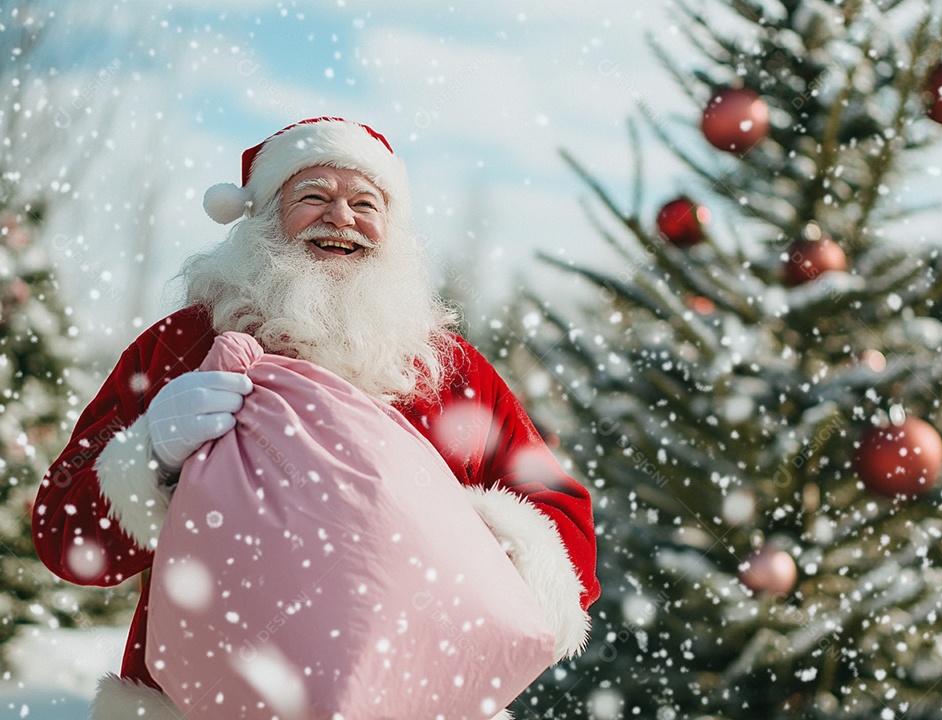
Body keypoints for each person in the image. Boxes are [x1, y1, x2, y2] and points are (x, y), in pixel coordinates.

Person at [33, 116, 600, 720]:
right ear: (263, 216)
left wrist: (473, 547)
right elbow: (65, 535)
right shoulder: (180, 346)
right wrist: (148, 458)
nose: (341, 217)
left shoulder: (449, 370)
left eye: (366, 202)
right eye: (313, 196)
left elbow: (562, 518)